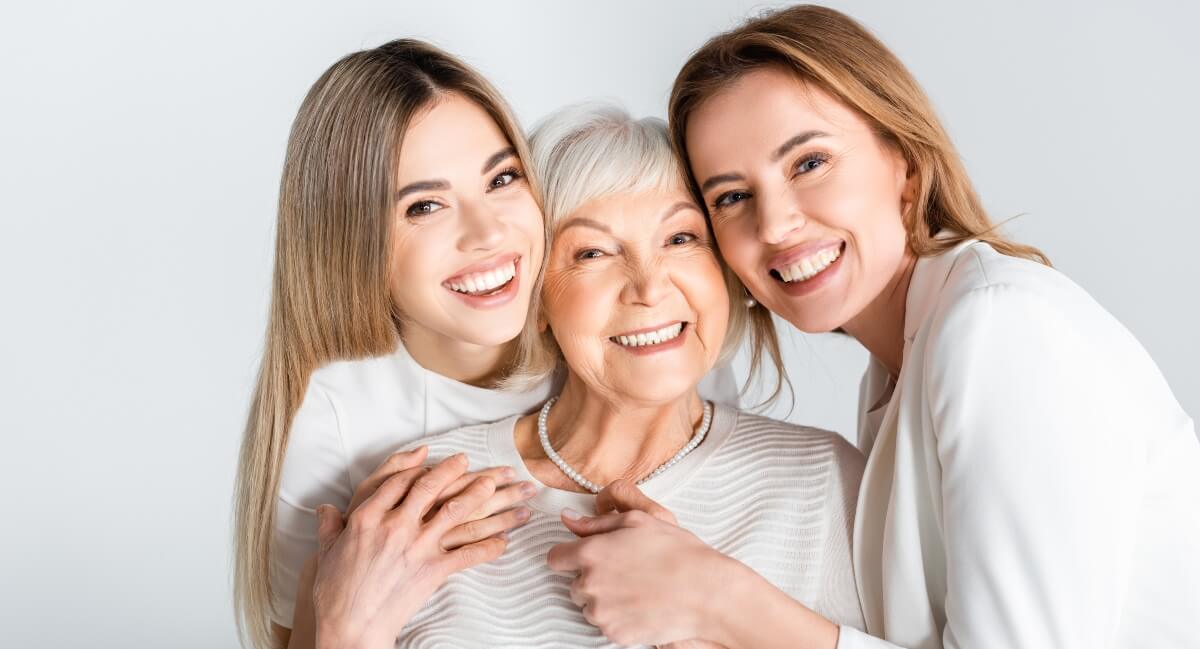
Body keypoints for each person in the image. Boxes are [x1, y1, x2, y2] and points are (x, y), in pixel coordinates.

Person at [551, 5, 1200, 648]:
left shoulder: (997, 329)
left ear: (906, 163)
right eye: (731, 196)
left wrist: (717, 599)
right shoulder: (900, 367)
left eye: (809, 163)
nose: (774, 224)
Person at [232, 40, 739, 649]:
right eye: (424, 206)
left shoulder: (630, 334)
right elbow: (307, 632)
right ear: (352, 245)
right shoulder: (338, 422)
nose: (488, 233)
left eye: (501, 178)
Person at [360, 103, 867, 647]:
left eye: (680, 239)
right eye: (593, 252)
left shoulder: (827, 484)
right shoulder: (426, 495)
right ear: (535, 298)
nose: (649, 288)